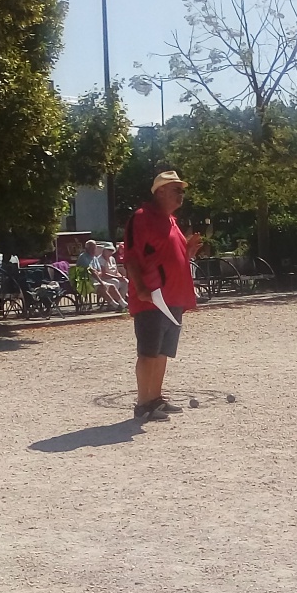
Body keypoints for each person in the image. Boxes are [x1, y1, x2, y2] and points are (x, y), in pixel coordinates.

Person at [124, 171, 201, 422]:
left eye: (181, 189)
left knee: (162, 351)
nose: (181, 194)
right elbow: (132, 257)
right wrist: (141, 288)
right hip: (152, 297)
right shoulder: (143, 217)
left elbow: (170, 258)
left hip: (172, 298)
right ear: (160, 192)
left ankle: (155, 398)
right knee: (148, 352)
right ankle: (143, 403)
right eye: (175, 189)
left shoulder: (172, 222)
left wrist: (187, 250)